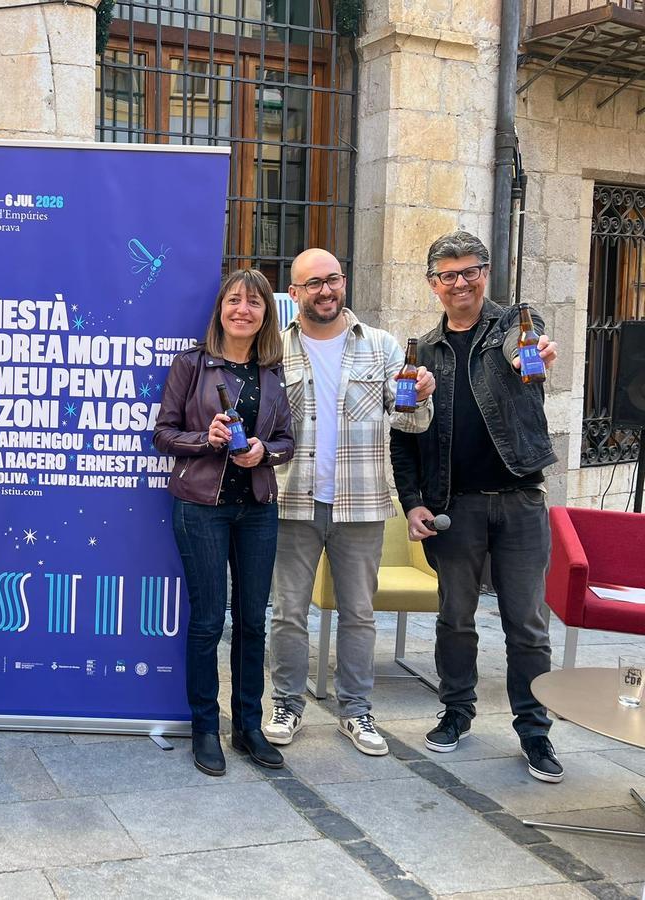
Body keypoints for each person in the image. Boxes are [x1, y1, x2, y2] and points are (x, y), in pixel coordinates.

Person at [391, 230, 563, 783]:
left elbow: (525, 351)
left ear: (485, 274)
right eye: (448, 275)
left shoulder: (513, 324)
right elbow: (403, 437)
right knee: (455, 619)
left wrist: (534, 355)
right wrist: (412, 503)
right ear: (432, 284)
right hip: (455, 507)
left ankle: (534, 731)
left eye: (469, 271)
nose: (460, 283)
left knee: (527, 625)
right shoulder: (422, 352)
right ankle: (456, 712)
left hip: (520, 501)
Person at [264, 249, 435, 757]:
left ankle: (356, 710)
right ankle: (286, 704)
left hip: (360, 503)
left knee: (359, 613)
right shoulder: (275, 349)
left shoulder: (380, 346)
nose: (326, 290)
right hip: (292, 501)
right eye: (313, 283)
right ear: (294, 293)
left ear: (344, 282)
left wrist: (421, 394)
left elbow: (410, 422)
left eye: (333, 279)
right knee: (288, 612)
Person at [153, 269, 295, 775]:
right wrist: (205, 439)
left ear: (266, 315)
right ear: (220, 309)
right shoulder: (191, 365)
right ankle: (205, 728)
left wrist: (264, 452)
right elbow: (163, 435)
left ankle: (249, 726)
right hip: (200, 508)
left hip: (257, 508)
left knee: (253, 621)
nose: (243, 310)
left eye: (254, 303)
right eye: (235, 300)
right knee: (209, 620)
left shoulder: (273, 372)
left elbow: (287, 441)